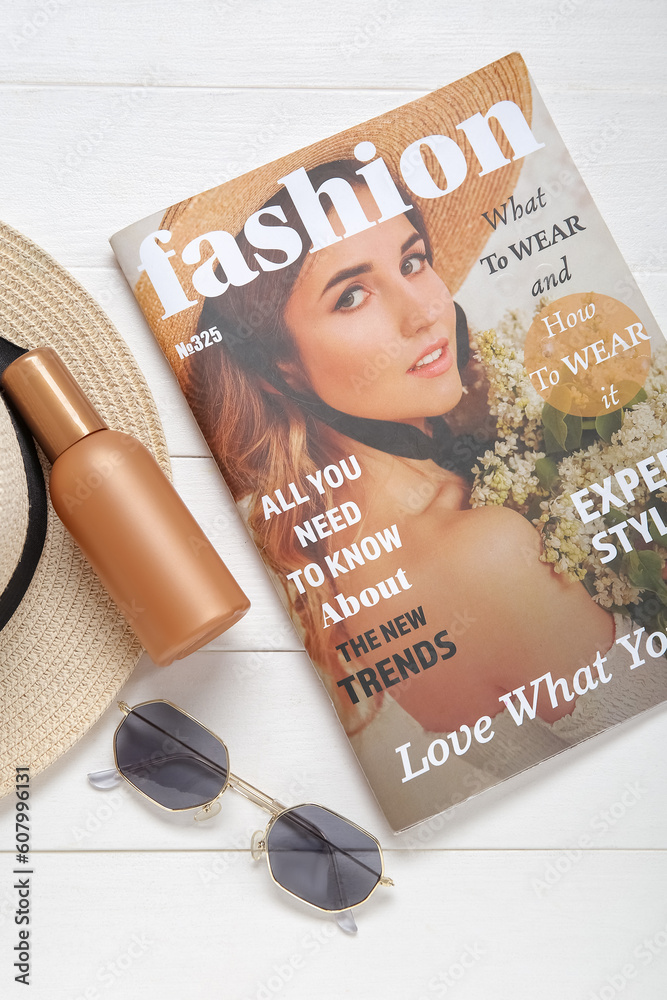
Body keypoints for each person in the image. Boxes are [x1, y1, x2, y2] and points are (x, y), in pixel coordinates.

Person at [185, 159, 619, 738]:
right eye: (351, 296)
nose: (426, 312)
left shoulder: (335, 562)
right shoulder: (486, 550)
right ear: (278, 368)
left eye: (412, 262)